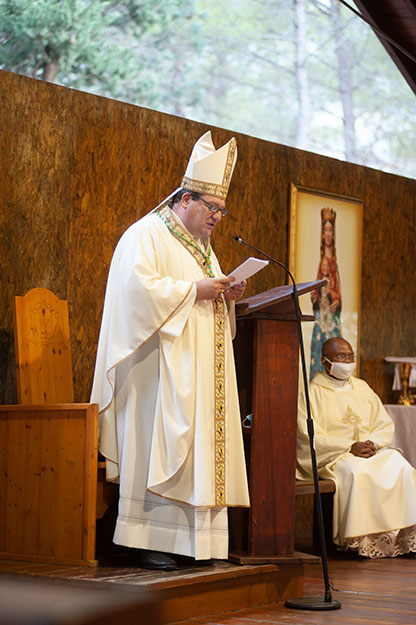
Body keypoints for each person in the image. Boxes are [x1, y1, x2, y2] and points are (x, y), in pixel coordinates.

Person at [91, 131, 250, 570]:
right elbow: (135, 292)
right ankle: (148, 538)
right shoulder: (147, 234)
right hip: (157, 373)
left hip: (197, 371)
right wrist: (194, 290)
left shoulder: (203, 248)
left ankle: (198, 543)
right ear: (184, 198)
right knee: (160, 447)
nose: (217, 217)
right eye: (211, 207)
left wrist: (224, 293)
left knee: (198, 453)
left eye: (221, 210)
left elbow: (202, 293)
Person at [297, 337, 416, 558]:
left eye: (350, 355)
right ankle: (358, 542)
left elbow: (383, 423)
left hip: (370, 451)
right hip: (335, 457)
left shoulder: (362, 387)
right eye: (341, 356)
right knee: (356, 472)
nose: (348, 360)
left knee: (401, 467)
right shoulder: (310, 392)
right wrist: (349, 446)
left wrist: (373, 443)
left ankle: (400, 538)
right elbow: (307, 435)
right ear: (325, 361)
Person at [310, 208, 342, 380]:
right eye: (325, 230)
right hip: (320, 320)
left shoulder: (333, 264)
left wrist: (335, 298)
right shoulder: (323, 260)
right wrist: (314, 297)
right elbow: (315, 292)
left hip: (331, 321)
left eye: (331, 230)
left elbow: (338, 296)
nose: (328, 234)